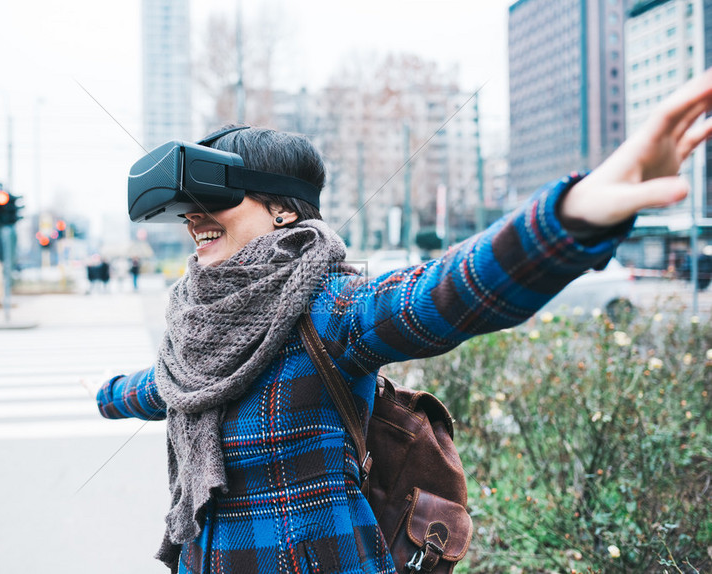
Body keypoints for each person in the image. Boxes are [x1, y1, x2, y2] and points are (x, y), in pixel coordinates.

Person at [87, 70, 712, 573]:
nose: (193, 218)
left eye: (214, 201)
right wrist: (109, 395)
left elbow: (448, 292)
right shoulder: (202, 326)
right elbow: (173, 386)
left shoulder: (329, 309)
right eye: (186, 209)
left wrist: (572, 216)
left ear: (281, 210)